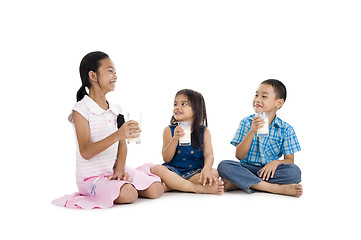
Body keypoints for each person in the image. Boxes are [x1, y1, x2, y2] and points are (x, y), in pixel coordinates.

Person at [52, 51, 164, 209]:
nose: (115, 76)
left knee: (156, 189)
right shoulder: (81, 109)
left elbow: (122, 145)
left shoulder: (116, 109)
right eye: (110, 71)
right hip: (91, 179)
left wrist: (119, 171)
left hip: (113, 171)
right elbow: (85, 151)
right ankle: (125, 185)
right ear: (93, 75)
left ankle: (132, 180)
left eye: (115, 72)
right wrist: (118, 134)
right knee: (129, 194)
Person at [217, 79, 303, 197]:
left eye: (264, 96)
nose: (258, 99)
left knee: (295, 172)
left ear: (279, 103)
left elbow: (289, 160)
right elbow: (239, 156)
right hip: (246, 168)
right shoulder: (246, 123)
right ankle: (273, 188)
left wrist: (275, 163)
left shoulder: (286, 129)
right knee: (224, 166)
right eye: (256, 95)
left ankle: (239, 183)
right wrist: (252, 131)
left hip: (269, 171)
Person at [151, 89, 224, 195]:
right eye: (175, 103)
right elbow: (166, 158)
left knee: (214, 172)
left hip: (194, 172)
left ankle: (173, 185)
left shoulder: (204, 132)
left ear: (195, 110)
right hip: (173, 171)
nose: (177, 107)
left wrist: (206, 169)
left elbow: (209, 155)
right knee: (156, 169)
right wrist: (175, 139)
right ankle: (195, 188)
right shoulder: (169, 130)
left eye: (183, 104)